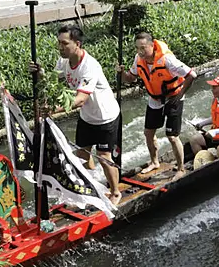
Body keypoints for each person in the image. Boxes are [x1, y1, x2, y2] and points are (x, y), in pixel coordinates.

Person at [49, 25, 122, 203]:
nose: (60, 47)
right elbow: (52, 80)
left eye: (65, 43)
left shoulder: (90, 66)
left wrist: (53, 110)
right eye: (59, 43)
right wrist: (39, 73)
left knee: (104, 158)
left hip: (105, 117)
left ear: (77, 44)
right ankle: (93, 185)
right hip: (87, 117)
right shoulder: (63, 61)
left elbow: (80, 99)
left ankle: (115, 192)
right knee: (82, 155)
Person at [120, 32, 196, 178]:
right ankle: (154, 162)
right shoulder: (139, 59)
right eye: (137, 48)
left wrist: (180, 95)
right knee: (148, 133)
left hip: (174, 97)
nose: (140, 52)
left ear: (152, 46)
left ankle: (181, 169)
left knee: (172, 136)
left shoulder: (167, 60)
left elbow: (191, 75)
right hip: (155, 99)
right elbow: (130, 78)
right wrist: (122, 73)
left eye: (143, 48)